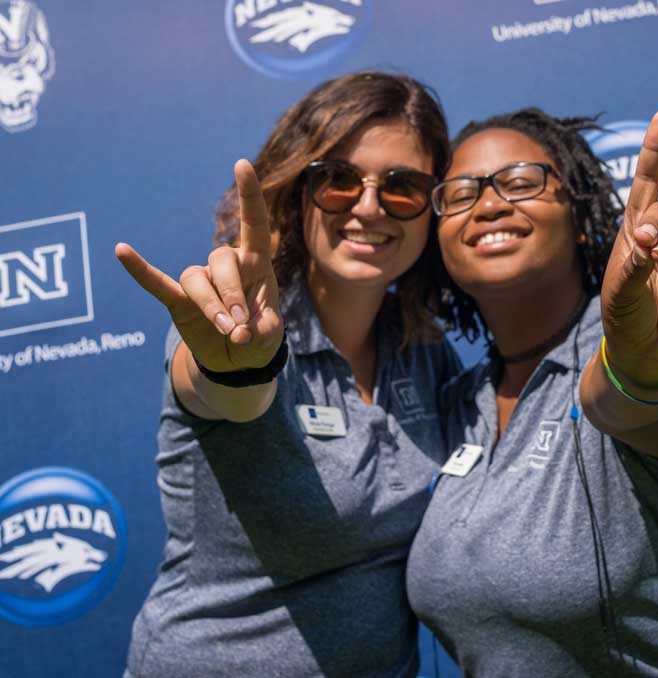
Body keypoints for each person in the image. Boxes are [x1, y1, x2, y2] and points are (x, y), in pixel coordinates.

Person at [407, 108, 658, 676]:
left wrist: (640, 363)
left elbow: (624, 399)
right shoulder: (457, 402)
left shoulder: (642, 349)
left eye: (520, 182)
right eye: (460, 194)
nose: (487, 205)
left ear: (580, 215)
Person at [115, 71, 460, 678]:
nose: (369, 206)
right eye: (338, 180)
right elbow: (227, 388)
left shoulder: (427, 353)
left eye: (402, 187)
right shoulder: (237, 325)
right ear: (300, 192)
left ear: (430, 210)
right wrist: (243, 367)